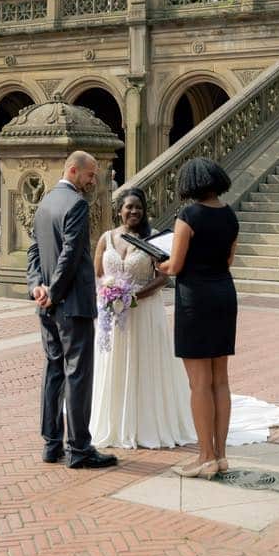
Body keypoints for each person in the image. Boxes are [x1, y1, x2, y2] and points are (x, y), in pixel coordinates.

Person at [26, 151, 118, 470]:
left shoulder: (46, 202)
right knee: (77, 374)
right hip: (71, 304)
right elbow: (70, 253)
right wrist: (53, 291)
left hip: (47, 306)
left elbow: (34, 251)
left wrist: (37, 285)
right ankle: (79, 448)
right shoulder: (76, 204)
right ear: (73, 170)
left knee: (54, 369)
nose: (93, 181)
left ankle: (52, 444)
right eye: (90, 175)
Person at [90, 188, 196, 449]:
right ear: (119, 210)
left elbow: (163, 276)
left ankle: (145, 424)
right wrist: (108, 292)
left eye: (138, 207)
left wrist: (135, 296)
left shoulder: (152, 240)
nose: (134, 211)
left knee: (144, 364)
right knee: (116, 363)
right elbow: (97, 272)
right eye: (129, 207)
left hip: (145, 312)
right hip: (114, 316)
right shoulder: (107, 238)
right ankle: (115, 424)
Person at [158, 157, 239, 479]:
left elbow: (174, 266)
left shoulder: (188, 215)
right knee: (221, 379)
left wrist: (157, 264)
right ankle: (220, 454)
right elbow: (229, 260)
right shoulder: (230, 215)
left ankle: (205, 456)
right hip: (224, 294)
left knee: (198, 383)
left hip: (195, 299)